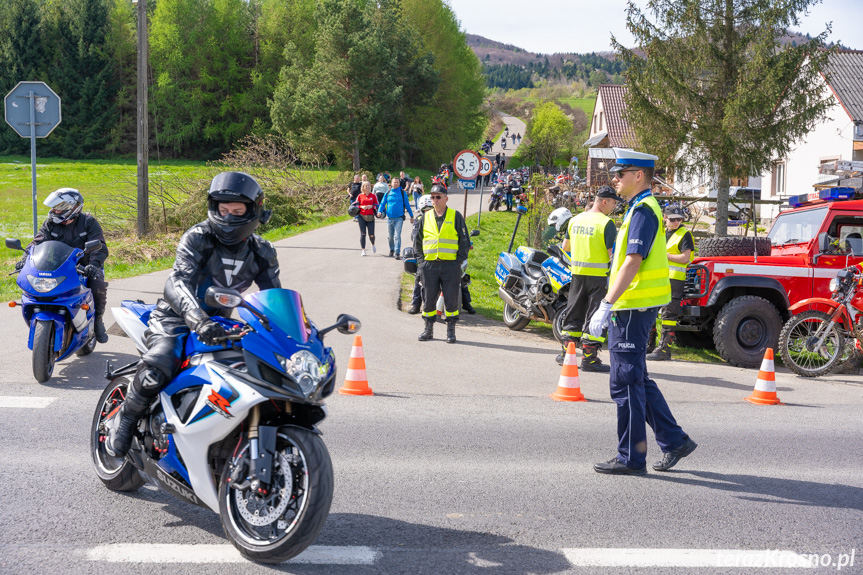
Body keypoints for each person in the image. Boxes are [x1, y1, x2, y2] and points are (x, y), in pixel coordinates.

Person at [105, 172, 280, 457]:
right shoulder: (198, 237)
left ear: (254, 211)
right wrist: (198, 319)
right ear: (214, 207)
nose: (229, 216)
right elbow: (178, 282)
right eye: (223, 209)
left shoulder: (262, 251)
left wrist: (287, 332)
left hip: (221, 322)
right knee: (159, 365)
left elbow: (273, 298)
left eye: (237, 211)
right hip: (174, 318)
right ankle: (124, 422)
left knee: (250, 367)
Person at [588, 148, 697, 475]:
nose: (615, 180)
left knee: (625, 384)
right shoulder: (641, 208)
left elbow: (632, 262)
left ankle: (631, 458)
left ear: (639, 176)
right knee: (638, 380)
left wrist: (607, 304)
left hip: (633, 308)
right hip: (634, 307)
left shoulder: (643, 212)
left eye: (621, 174)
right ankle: (674, 440)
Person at [19, 188, 111, 343]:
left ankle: (98, 321)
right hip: (58, 267)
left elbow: (100, 246)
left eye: (57, 208)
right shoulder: (50, 224)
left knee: (98, 286)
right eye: (53, 208)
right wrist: (25, 259)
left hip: (84, 267)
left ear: (72, 208)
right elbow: (37, 242)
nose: (53, 211)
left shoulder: (88, 222)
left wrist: (93, 265)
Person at [553, 185, 620, 370]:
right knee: (594, 316)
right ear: (604, 201)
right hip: (598, 277)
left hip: (577, 275)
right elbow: (611, 255)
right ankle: (589, 359)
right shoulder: (606, 223)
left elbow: (565, 246)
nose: (614, 207)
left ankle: (567, 354)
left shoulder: (575, 220)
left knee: (574, 312)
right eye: (613, 203)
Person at [414, 184, 471, 343]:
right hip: (429, 266)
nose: (435, 199)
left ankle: (451, 331)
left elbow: (464, 241)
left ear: (446, 198)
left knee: (451, 299)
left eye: (438, 196)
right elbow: (417, 242)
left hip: (450, 265)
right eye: (432, 197)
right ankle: (428, 329)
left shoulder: (455, 216)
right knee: (429, 298)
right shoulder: (426, 217)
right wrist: (421, 262)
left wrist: (458, 261)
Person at [647, 205, 695, 361]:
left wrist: (664, 255)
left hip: (674, 280)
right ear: (665, 218)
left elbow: (684, 258)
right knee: (651, 311)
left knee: (669, 314)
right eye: (673, 219)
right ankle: (650, 344)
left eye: (680, 219)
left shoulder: (684, 234)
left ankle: (664, 349)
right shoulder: (660, 232)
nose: (677, 222)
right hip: (657, 278)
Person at [408, 194, 434, 314]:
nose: (428, 212)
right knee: (419, 280)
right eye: (426, 210)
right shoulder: (419, 220)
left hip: (438, 256)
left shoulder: (440, 218)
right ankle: (416, 305)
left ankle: (465, 303)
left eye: (430, 209)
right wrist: (419, 256)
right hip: (423, 256)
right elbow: (415, 238)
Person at [379, 177, 414, 259]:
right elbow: (382, 203)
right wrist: (379, 211)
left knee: (397, 236)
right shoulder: (387, 193)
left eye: (397, 182)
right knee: (390, 236)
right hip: (390, 218)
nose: (396, 183)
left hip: (399, 218)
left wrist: (411, 216)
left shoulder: (402, 193)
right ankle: (391, 249)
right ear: (391, 183)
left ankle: (397, 252)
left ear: (399, 183)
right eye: (394, 182)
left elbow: (407, 205)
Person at [356, 181, 379, 256]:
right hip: (361, 216)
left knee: (371, 234)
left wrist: (372, 206)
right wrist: (361, 206)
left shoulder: (373, 195)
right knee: (363, 234)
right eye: (366, 186)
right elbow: (355, 205)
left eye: (369, 186)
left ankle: (373, 244)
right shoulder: (360, 196)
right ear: (363, 187)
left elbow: (377, 205)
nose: (368, 187)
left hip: (370, 216)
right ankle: (363, 250)